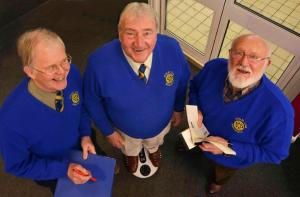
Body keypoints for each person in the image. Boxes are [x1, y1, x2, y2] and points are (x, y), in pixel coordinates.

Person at [83, 2, 190, 174]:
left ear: (156, 33)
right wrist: (108, 131)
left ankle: (153, 149)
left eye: (147, 33)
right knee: (129, 147)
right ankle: (131, 155)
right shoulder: (98, 63)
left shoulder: (172, 49)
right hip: (124, 131)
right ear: (119, 34)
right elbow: (91, 100)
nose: (139, 43)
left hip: (161, 124)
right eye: (130, 33)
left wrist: (178, 108)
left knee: (155, 142)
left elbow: (183, 81)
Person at [189, 34, 294, 194]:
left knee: (221, 174)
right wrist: (195, 108)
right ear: (230, 54)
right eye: (238, 53)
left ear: (267, 63)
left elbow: (275, 154)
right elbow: (195, 87)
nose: (244, 62)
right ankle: (194, 148)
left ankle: (217, 184)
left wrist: (229, 147)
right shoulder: (213, 67)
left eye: (254, 57)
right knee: (190, 145)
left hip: (230, 159)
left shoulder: (280, 111)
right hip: (197, 132)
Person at [0, 28, 96, 193]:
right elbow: (18, 165)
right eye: (51, 67)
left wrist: (86, 135)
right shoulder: (10, 120)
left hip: (83, 145)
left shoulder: (71, 73)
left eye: (64, 60)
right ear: (30, 72)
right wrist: (63, 170)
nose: (62, 71)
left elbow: (81, 107)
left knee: (98, 180)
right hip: (53, 170)